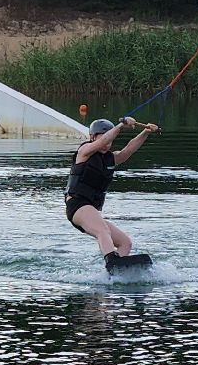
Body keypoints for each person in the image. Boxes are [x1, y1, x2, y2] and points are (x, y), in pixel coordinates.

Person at [65, 115, 157, 268]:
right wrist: (120, 126)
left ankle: (114, 273)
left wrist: (145, 132)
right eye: (104, 139)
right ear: (92, 137)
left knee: (125, 243)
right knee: (103, 230)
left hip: (91, 210)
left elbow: (128, 150)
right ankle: (112, 261)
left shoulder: (110, 158)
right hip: (77, 205)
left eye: (110, 142)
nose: (107, 144)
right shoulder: (84, 151)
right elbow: (103, 141)